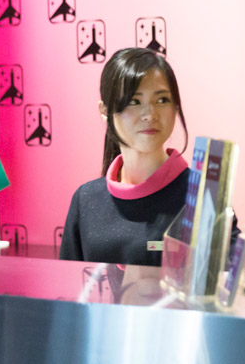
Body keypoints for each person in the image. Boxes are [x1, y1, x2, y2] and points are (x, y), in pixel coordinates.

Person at [59, 47, 191, 265]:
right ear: (104, 111)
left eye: (162, 100)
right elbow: (69, 289)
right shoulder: (86, 199)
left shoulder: (200, 196)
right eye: (134, 101)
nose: (150, 115)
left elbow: (232, 281)